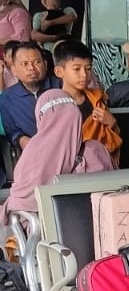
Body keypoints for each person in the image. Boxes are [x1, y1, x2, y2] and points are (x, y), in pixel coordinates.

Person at [0, 89, 113, 223]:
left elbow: (19, 203)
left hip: (46, 238)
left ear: (42, 117)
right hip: (99, 232)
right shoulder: (97, 150)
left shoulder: (33, 154)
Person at [53, 40, 122, 164]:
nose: (84, 74)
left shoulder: (97, 99)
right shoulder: (53, 105)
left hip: (98, 164)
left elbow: (111, 140)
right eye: (77, 69)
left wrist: (112, 124)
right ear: (59, 72)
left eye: (88, 68)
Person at [0, 41, 60, 148]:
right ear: (14, 70)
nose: (31, 68)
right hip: (32, 155)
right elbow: (12, 132)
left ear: (45, 65)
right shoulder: (7, 98)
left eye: (37, 62)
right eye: (24, 64)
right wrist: (25, 142)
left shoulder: (61, 86)